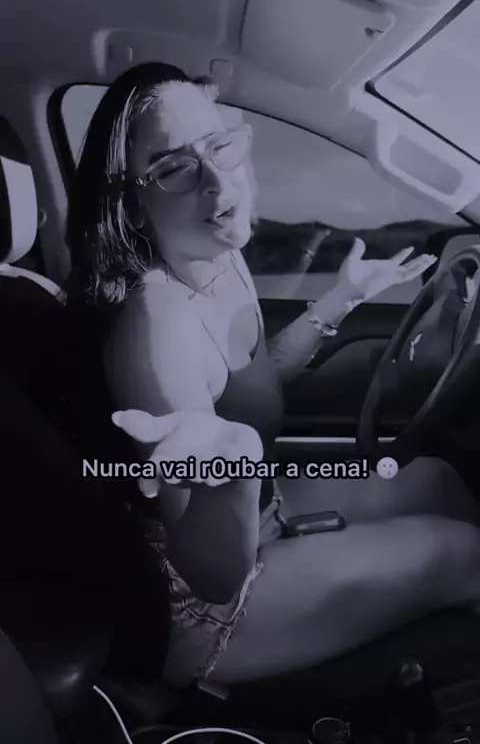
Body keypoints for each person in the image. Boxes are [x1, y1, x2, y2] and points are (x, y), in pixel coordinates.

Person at [66, 61, 480, 688]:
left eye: (220, 146)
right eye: (175, 168)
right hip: (201, 606)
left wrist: (342, 298)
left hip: (261, 510)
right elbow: (213, 574)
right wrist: (232, 466)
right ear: (133, 205)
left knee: (442, 482)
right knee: (466, 558)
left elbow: (253, 382)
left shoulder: (217, 260)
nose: (215, 180)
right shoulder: (156, 327)